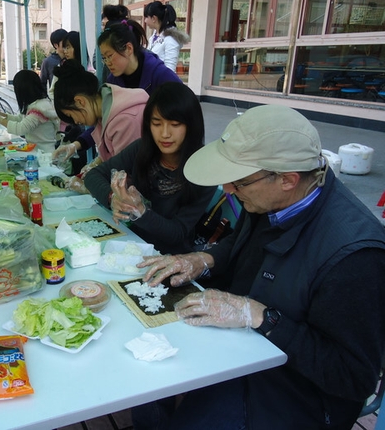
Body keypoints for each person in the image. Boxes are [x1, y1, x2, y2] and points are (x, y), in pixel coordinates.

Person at [133, 105, 385, 429]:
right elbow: (241, 244)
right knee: (149, 368)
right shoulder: (273, 199)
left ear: (287, 180)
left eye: (238, 182)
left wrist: (261, 316)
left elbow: (352, 377)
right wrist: (203, 259)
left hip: (294, 393)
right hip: (246, 348)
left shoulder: (355, 257)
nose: (227, 190)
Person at [85, 82, 215, 254]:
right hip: (131, 242)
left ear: (191, 126)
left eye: (175, 124)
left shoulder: (205, 169)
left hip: (170, 256)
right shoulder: (142, 149)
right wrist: (113, 198)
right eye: (157, 123)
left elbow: (178, 233)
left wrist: (140, 212)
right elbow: (93, 175)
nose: (165, 134)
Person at [52, 61, 148, 191]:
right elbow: (114, 155)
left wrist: (88, 188)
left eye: (71, 115)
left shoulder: (125, 120)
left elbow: (125, 178)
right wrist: (97, 164)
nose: (75, 121)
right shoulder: (104, 112)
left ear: (80, 101)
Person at [98, 19, 181, 94]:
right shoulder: (112, 82)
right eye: (104, 58)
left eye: (109, 56)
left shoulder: (161, 75)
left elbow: (184, 100)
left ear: (129, 49)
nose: (107, 63)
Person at [0, 70, 59, 153]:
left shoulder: (39, 109)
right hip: (37, 151)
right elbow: (20, 118)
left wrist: (0, 120)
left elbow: (21, 129)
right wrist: (3, 115)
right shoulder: (35, 104)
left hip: (44, 154)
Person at [144, 1, 190, 72]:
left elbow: (170, 69)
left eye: (146, 17)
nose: (145, 21)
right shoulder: (153, 37)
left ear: (154, 18)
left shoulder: (170, 39)